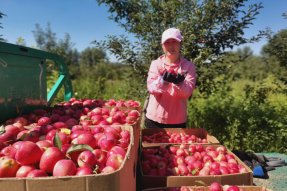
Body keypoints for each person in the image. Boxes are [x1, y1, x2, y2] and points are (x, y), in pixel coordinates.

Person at [145, 28, 196, 129]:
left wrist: (180, 84)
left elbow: (187, 93)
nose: (171, 46)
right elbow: (151, 89)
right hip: (154, 120)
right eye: (167, 42)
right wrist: (162, 82)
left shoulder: (189, 66)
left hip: (178, 121)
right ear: (162, 45)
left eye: (174, 42)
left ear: (181, 43)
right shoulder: (156, 64)